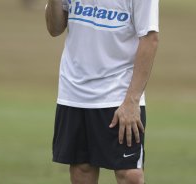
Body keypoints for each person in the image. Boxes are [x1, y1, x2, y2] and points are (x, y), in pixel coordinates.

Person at [45, 0, 159, 183]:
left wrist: (132, 100)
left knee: (130, 175)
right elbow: (55, 28)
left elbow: (150, 38)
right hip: (74, 92)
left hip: (118, 94)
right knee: (82, 170)